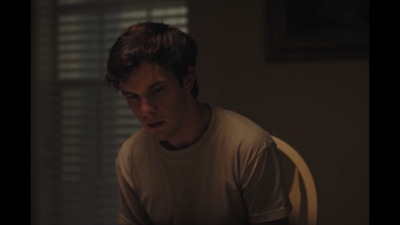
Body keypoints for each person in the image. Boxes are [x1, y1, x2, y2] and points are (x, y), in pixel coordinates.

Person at [106, 22, 292, 225]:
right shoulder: (131, 155)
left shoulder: (249, 147)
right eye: (132, 96)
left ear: (188, 80)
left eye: (158, 90)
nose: (145, 110)